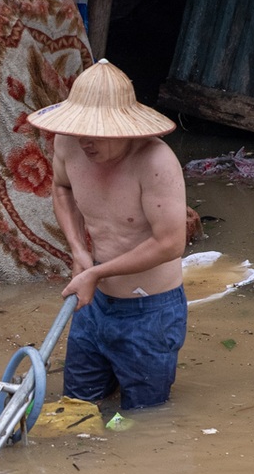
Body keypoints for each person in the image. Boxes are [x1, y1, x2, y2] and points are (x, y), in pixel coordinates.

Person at [28, 60, 189, 409]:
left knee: (144, 418)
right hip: (94, 303)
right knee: (77, 406)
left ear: (124, 129)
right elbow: (61, 188)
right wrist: (78, 251)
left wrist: (96, 272)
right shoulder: (69, 144)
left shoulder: (156, 162)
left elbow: (171, 243)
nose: (85, 141)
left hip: (150, 310)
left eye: (96, 133)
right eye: (80, 130)